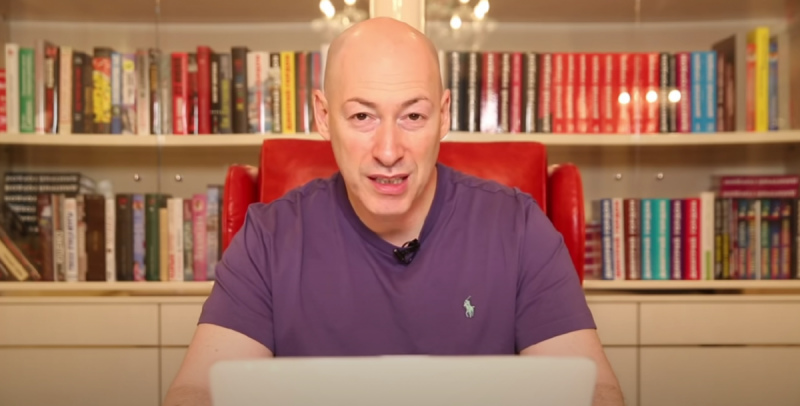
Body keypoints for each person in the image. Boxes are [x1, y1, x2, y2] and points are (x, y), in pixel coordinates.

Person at [163, 17, 625, 406]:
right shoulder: (267, 238)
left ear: (444, 115)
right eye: (362, 116)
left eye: (413, 116)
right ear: (322, 116)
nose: (388, 151)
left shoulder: (520, 228)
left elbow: (595, 392)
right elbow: (197, 391)